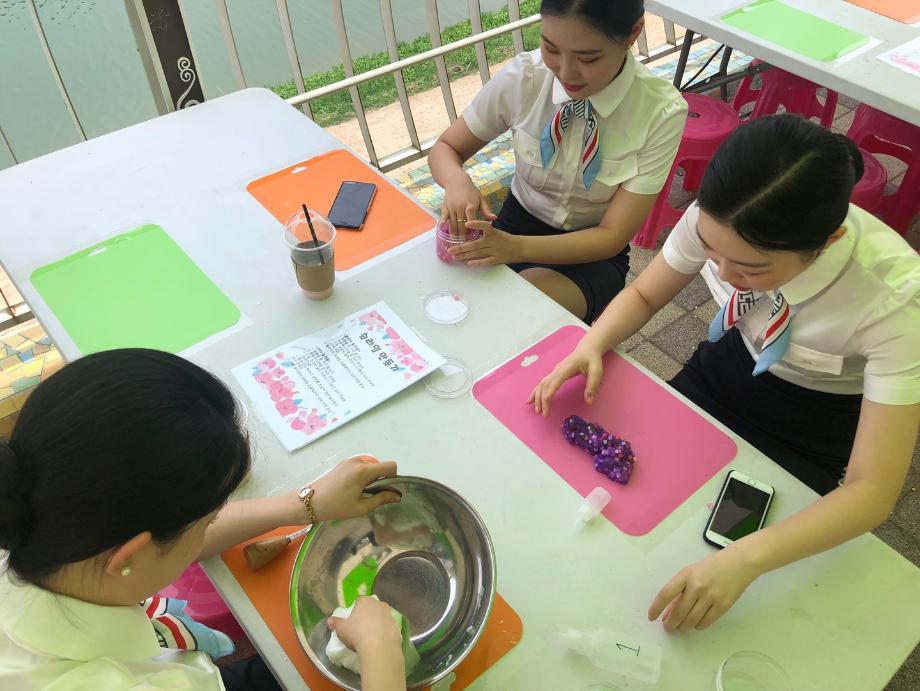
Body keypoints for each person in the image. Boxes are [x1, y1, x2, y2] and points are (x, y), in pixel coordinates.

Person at [528, 114, 920, 632]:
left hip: (814, 422)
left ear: (828, 241)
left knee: (728, 557)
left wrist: (748, 560)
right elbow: (647, 292)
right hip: (725, 368)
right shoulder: (721, 220)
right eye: (712, 252)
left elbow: (872, 491)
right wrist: (592, 343)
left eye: (752, 269)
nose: (725, 274)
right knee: (634, 505)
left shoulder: (898, 301)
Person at [0, 349, 407, 691]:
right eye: (208, 521)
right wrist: (382, 657)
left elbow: (164, 532)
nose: (212, 526)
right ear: (129, 556)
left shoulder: (28, 516)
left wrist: (304, 505)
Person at [428, 0, 687, 323]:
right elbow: (446, 147)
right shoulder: (525, 77)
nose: (565, 72)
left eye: (588, 58)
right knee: (448, 300)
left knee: (515, 315)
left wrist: (516, 249)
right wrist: (456, 181)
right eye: (551, 48)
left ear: (633, 32)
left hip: (591, 252)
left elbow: (611, 236)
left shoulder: (660, 112)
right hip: (514, 224)